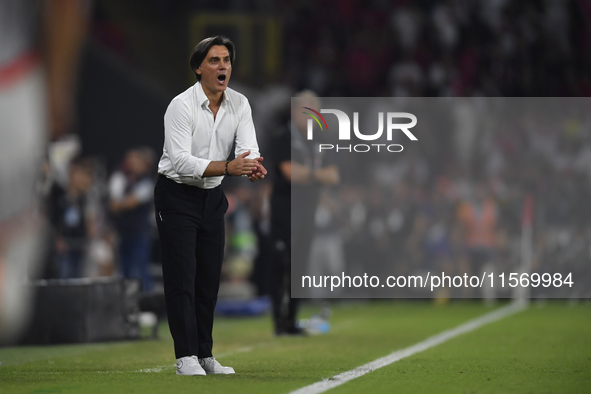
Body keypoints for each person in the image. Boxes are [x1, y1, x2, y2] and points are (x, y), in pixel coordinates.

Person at [154, 35, 266, 376]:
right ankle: (184, 356)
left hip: (212, 196)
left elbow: (248, 148)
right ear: (199, 67)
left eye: (227, 60)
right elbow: (182, 161)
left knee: (207, 282)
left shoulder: (240, 103)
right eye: (215, 60)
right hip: (177, 195)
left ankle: (205, 354)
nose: (223, 67)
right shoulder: (180, 106)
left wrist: (253, 164)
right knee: (182, 278)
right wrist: (230, 167)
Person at [269, 90, 339, 335]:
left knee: (300, 266)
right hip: (284, 211)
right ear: (294, 110)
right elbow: (289, 173)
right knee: (280, 264)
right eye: (307, 110)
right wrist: (314, 175)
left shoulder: (320, 139)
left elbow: (333, 175)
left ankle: (291, 320)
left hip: (307, 211)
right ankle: (278, 320)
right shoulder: (281, 137)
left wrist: (306, 174)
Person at [109, 147, 156, 292]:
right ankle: (127, 307)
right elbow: (113, 206)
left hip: (139, 233)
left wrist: (121, 203)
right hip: (123, 232)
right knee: (125, 272)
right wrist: (123, 203)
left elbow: (131, 202)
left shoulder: (147, 182)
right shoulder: (123, 179)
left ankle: (146, 304)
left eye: (135, 161)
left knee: (140, 270)